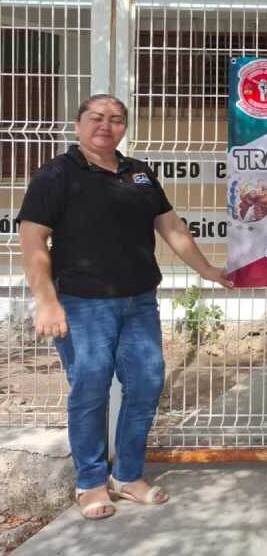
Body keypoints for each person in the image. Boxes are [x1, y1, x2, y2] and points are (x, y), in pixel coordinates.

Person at [17, 95, 233, 520]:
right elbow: (32, 239)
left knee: (147, 383)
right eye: (96, 118)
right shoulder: (57, 174)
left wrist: (207, 269)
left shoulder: (139, 173)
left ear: (124, 128)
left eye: (116, 119)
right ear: (78, 124)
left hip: (139, 302)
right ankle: (91, 482)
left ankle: (128, 475)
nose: (106, 125)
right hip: (82, 304)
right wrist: (46, 302)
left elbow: (170, 225)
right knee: (90, 389)